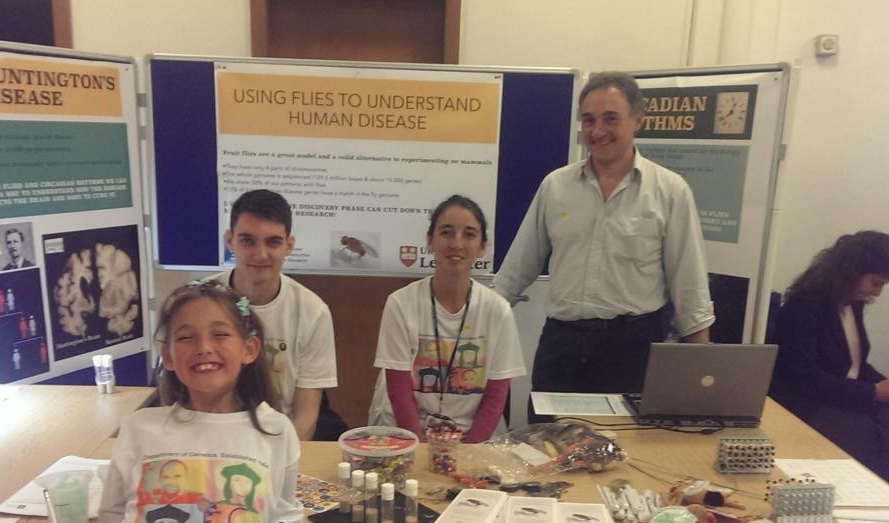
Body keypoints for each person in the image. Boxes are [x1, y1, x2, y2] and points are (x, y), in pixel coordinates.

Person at [48, 280, 312, 523]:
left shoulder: (275, 431)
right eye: (186, 338)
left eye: (220, 334)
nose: (203, 347)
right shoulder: (139, 429)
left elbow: (284, 516)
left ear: (249, 349)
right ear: (168, 356)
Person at [493, 71, 714, 402]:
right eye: (588, 120)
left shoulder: (670, 192)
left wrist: (701, 377)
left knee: (629, 451)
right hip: (562, 346)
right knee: (546, 445)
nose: (597, 131)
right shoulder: (556, 186)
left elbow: (690, 289)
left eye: (611, 119)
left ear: (638, 120)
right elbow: (516, 270)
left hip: (632, 350)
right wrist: (475, 327)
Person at [770, 230, 889, 511]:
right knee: (875, 430)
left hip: (839, 395)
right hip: (805, 404)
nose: (877, 292)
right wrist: (873, 391)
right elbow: (803, 378)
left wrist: (884, 383)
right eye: (875, 283)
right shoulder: (804, 306)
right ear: (852, 271)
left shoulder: (852, 305)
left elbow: (854, 364)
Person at [370, 195, 526, 441]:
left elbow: (497, 394)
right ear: (430, 241)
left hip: (474, 438)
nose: (457, 243)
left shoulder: (497, 310)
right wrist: (421, 450)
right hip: (408, 434)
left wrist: (467, 452)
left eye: (469, 234)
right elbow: (398, 389)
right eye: (446, 232)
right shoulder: (400, 304)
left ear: (482, 246)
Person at [216, 189, 342, 440]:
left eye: (273, 242)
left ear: (289, 245)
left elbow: (305, 417)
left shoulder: (312, 311)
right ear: (229, 241)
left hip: (281, 440)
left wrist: (278, 466)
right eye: (247, 240)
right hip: (215, 435)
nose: (260, 254)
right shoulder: (200, 302)